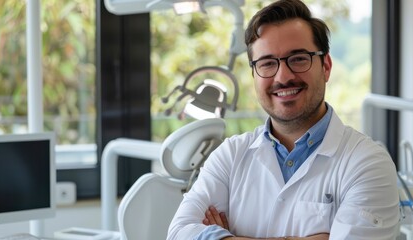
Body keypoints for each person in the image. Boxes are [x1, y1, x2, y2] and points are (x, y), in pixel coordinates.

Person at [166, 0, 400, 239]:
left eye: (298, 58)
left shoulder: (368, 163)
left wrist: (225, 236)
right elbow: (179, 232)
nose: (283, 76)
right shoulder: (230, 156)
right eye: (267, 63)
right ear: (254, 75)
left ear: (326, 66)